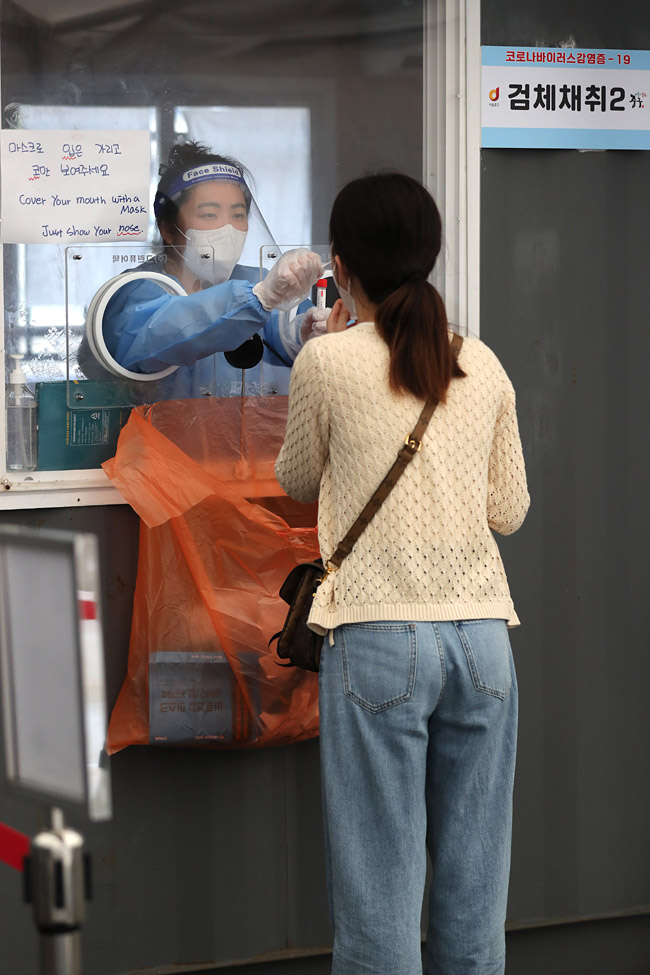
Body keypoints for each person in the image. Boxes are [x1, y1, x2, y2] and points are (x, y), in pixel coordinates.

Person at [275, 173, 530, 975]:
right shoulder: (480, 363)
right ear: (430, 256)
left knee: (379, 885)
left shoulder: (326, 360)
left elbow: (297, 479)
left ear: (342, 266)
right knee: (476, 885)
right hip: (485, 641)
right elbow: (510, 509)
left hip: (380, 637)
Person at [79, 141, 325, 399]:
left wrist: (308, 333)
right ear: (168, 229)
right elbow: (155, 335)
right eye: (209, 214)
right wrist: (259, 298)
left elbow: (287, 327)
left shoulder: (258, 281)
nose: (228, 229)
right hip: (163, 439)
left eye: (238, 215)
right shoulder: (137, 290)